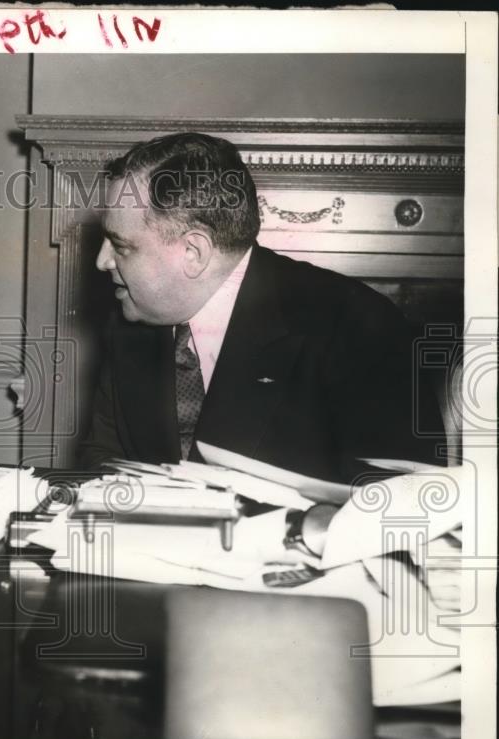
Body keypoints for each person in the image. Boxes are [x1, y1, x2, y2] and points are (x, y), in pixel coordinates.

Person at [78, 132, 445, 483]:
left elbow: (400, 500)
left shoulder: (360, 330)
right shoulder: (130, 326)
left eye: (121, 246)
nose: (101, 261)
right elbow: (104, 462)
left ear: (194, 253)